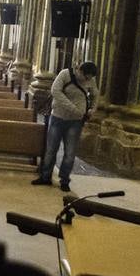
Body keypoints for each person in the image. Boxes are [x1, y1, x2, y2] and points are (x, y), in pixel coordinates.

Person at [32, 61, 99, 192]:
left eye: (90, 78)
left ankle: (64, 180)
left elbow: (95, 94)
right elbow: (55, 91)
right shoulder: (65, 74)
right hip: (58, 117)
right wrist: (73, 108)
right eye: (86, 77)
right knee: (51, 149)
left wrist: (92, 109)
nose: (87, 80)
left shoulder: (90, 80)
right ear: (80, 71)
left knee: (70, 152)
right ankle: (45, 176)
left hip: (75, 122)